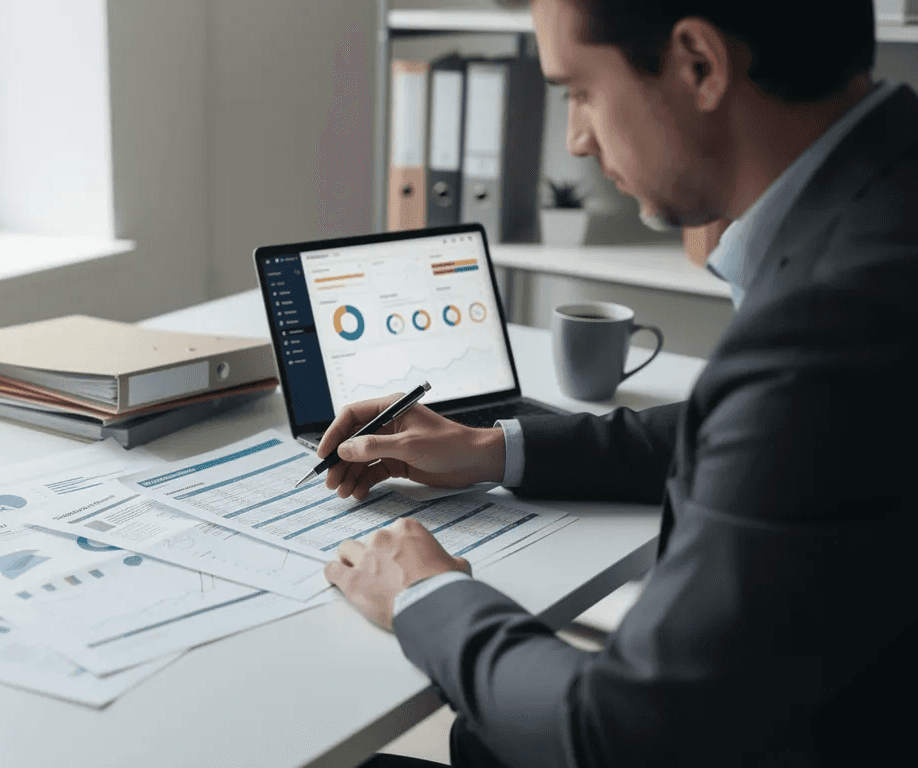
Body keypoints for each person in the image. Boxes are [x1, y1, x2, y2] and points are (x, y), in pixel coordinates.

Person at [322, 0, 918, 765]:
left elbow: (620, 735)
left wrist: (425, 594)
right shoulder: (885, 209)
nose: (575, 140)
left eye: (580, 91)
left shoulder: (829, 324)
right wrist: (492, 447)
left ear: (699, 65)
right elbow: (756, 433)